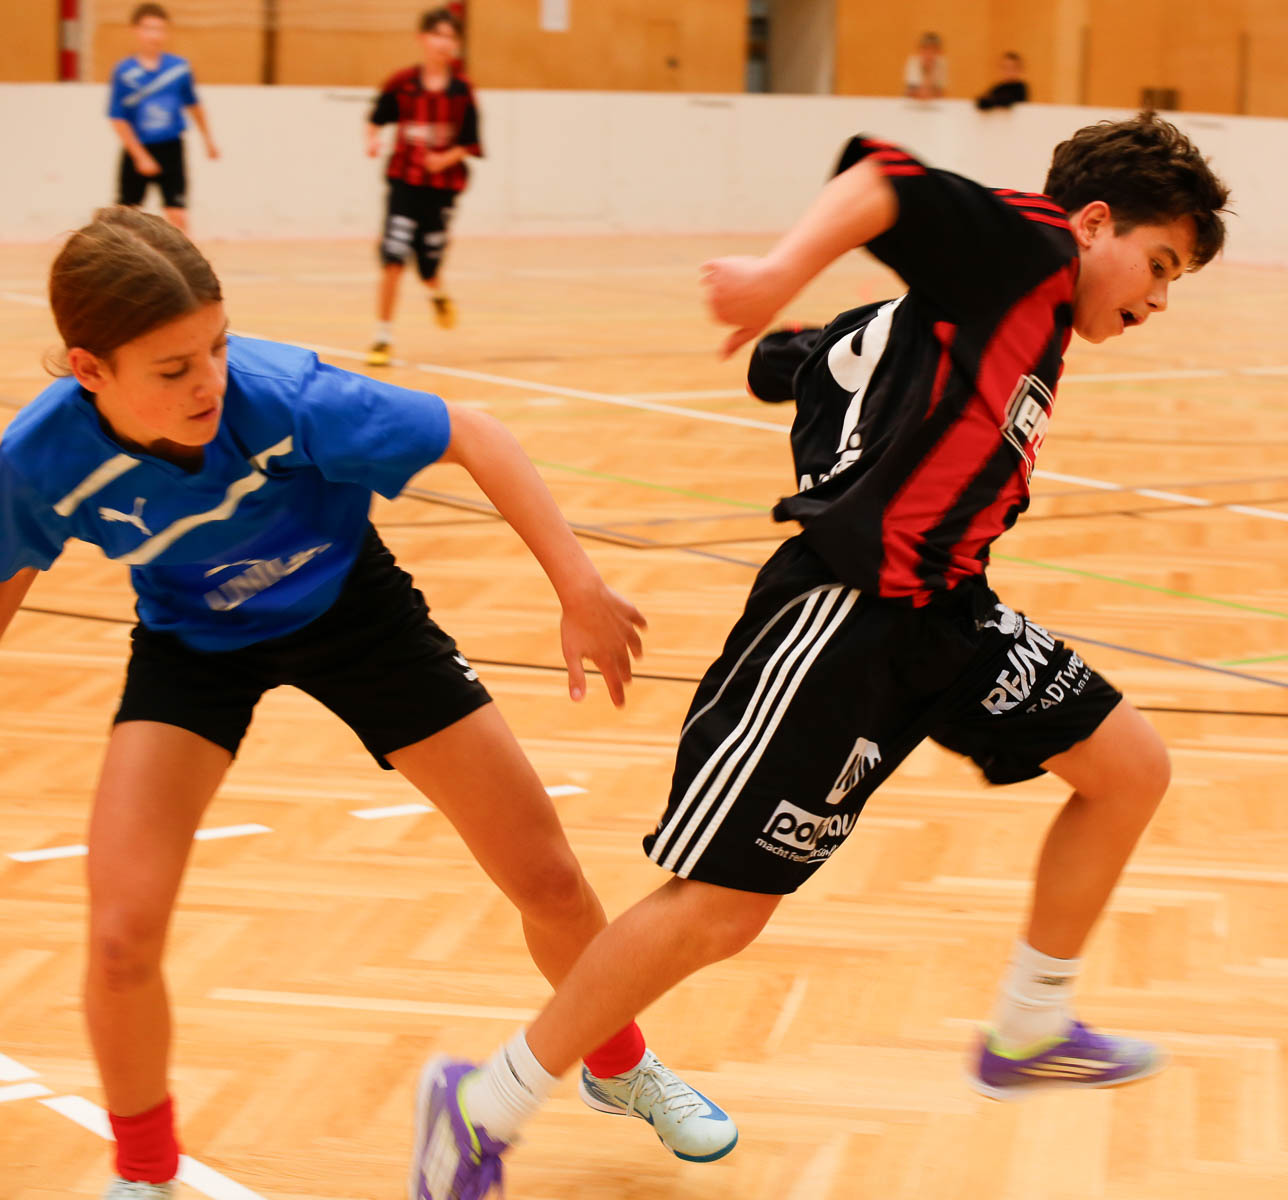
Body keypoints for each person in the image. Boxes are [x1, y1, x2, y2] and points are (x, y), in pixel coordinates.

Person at [400, 111, 1231, 1197]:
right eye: (1159, 264)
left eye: (1177, 282)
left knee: (1129, 769)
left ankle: (1030, 1024)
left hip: (950, 612)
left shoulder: (990, 312)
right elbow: (882, 177)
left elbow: (823, 357)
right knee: (721, 910)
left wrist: (788, 353)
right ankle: (483, 1105)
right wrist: (772, 276)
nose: (1160, 299)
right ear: (1091, 223)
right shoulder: (1029, 247)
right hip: (847, 619)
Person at [0, 207, 737, 1200]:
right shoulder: (41, 457)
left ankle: (619, 1065)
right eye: (173, 368)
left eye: (217, 346)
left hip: (354, 612)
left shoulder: (287, 397)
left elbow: (476, 434)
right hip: (192, 644)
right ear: (90, 370)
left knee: (549, 879)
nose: (209, 381)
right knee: (121, 933)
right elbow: (4, 568)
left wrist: (578, 586)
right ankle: (145, 1176)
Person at [365, 7, 482, 368]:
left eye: (451, 37)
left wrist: (445, 159)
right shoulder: (402, 83)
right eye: (437, 35)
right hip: (404, 183)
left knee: (428, 266)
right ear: (422, 39)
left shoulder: (462, 92)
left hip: (442, 188)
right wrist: (372, 139)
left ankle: (438, 293)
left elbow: (471, 143)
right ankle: (383, 336)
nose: (443, 43)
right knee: (394, 258)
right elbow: (376, 119)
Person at [107, 3, 218, 234]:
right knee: (125, 216)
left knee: (177, 213)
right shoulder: (124, 72)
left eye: (159, 29)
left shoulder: (179, 68)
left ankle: (182, 256)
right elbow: (118, 118)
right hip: (138, 148)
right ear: (135, 30)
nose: (154, 35)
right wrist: (140, 156)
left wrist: (208, 140)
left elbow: (194, 105)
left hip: (171, 148)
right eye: (148, 28)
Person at [903, 31, 948, 99]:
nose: (929, 53)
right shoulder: (913, 62)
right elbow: (911, 92)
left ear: (938, 51)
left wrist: (929, 71)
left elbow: (940, 93)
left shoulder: (941, 64)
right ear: (920, 50)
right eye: (926, 49)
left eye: (933, 49)